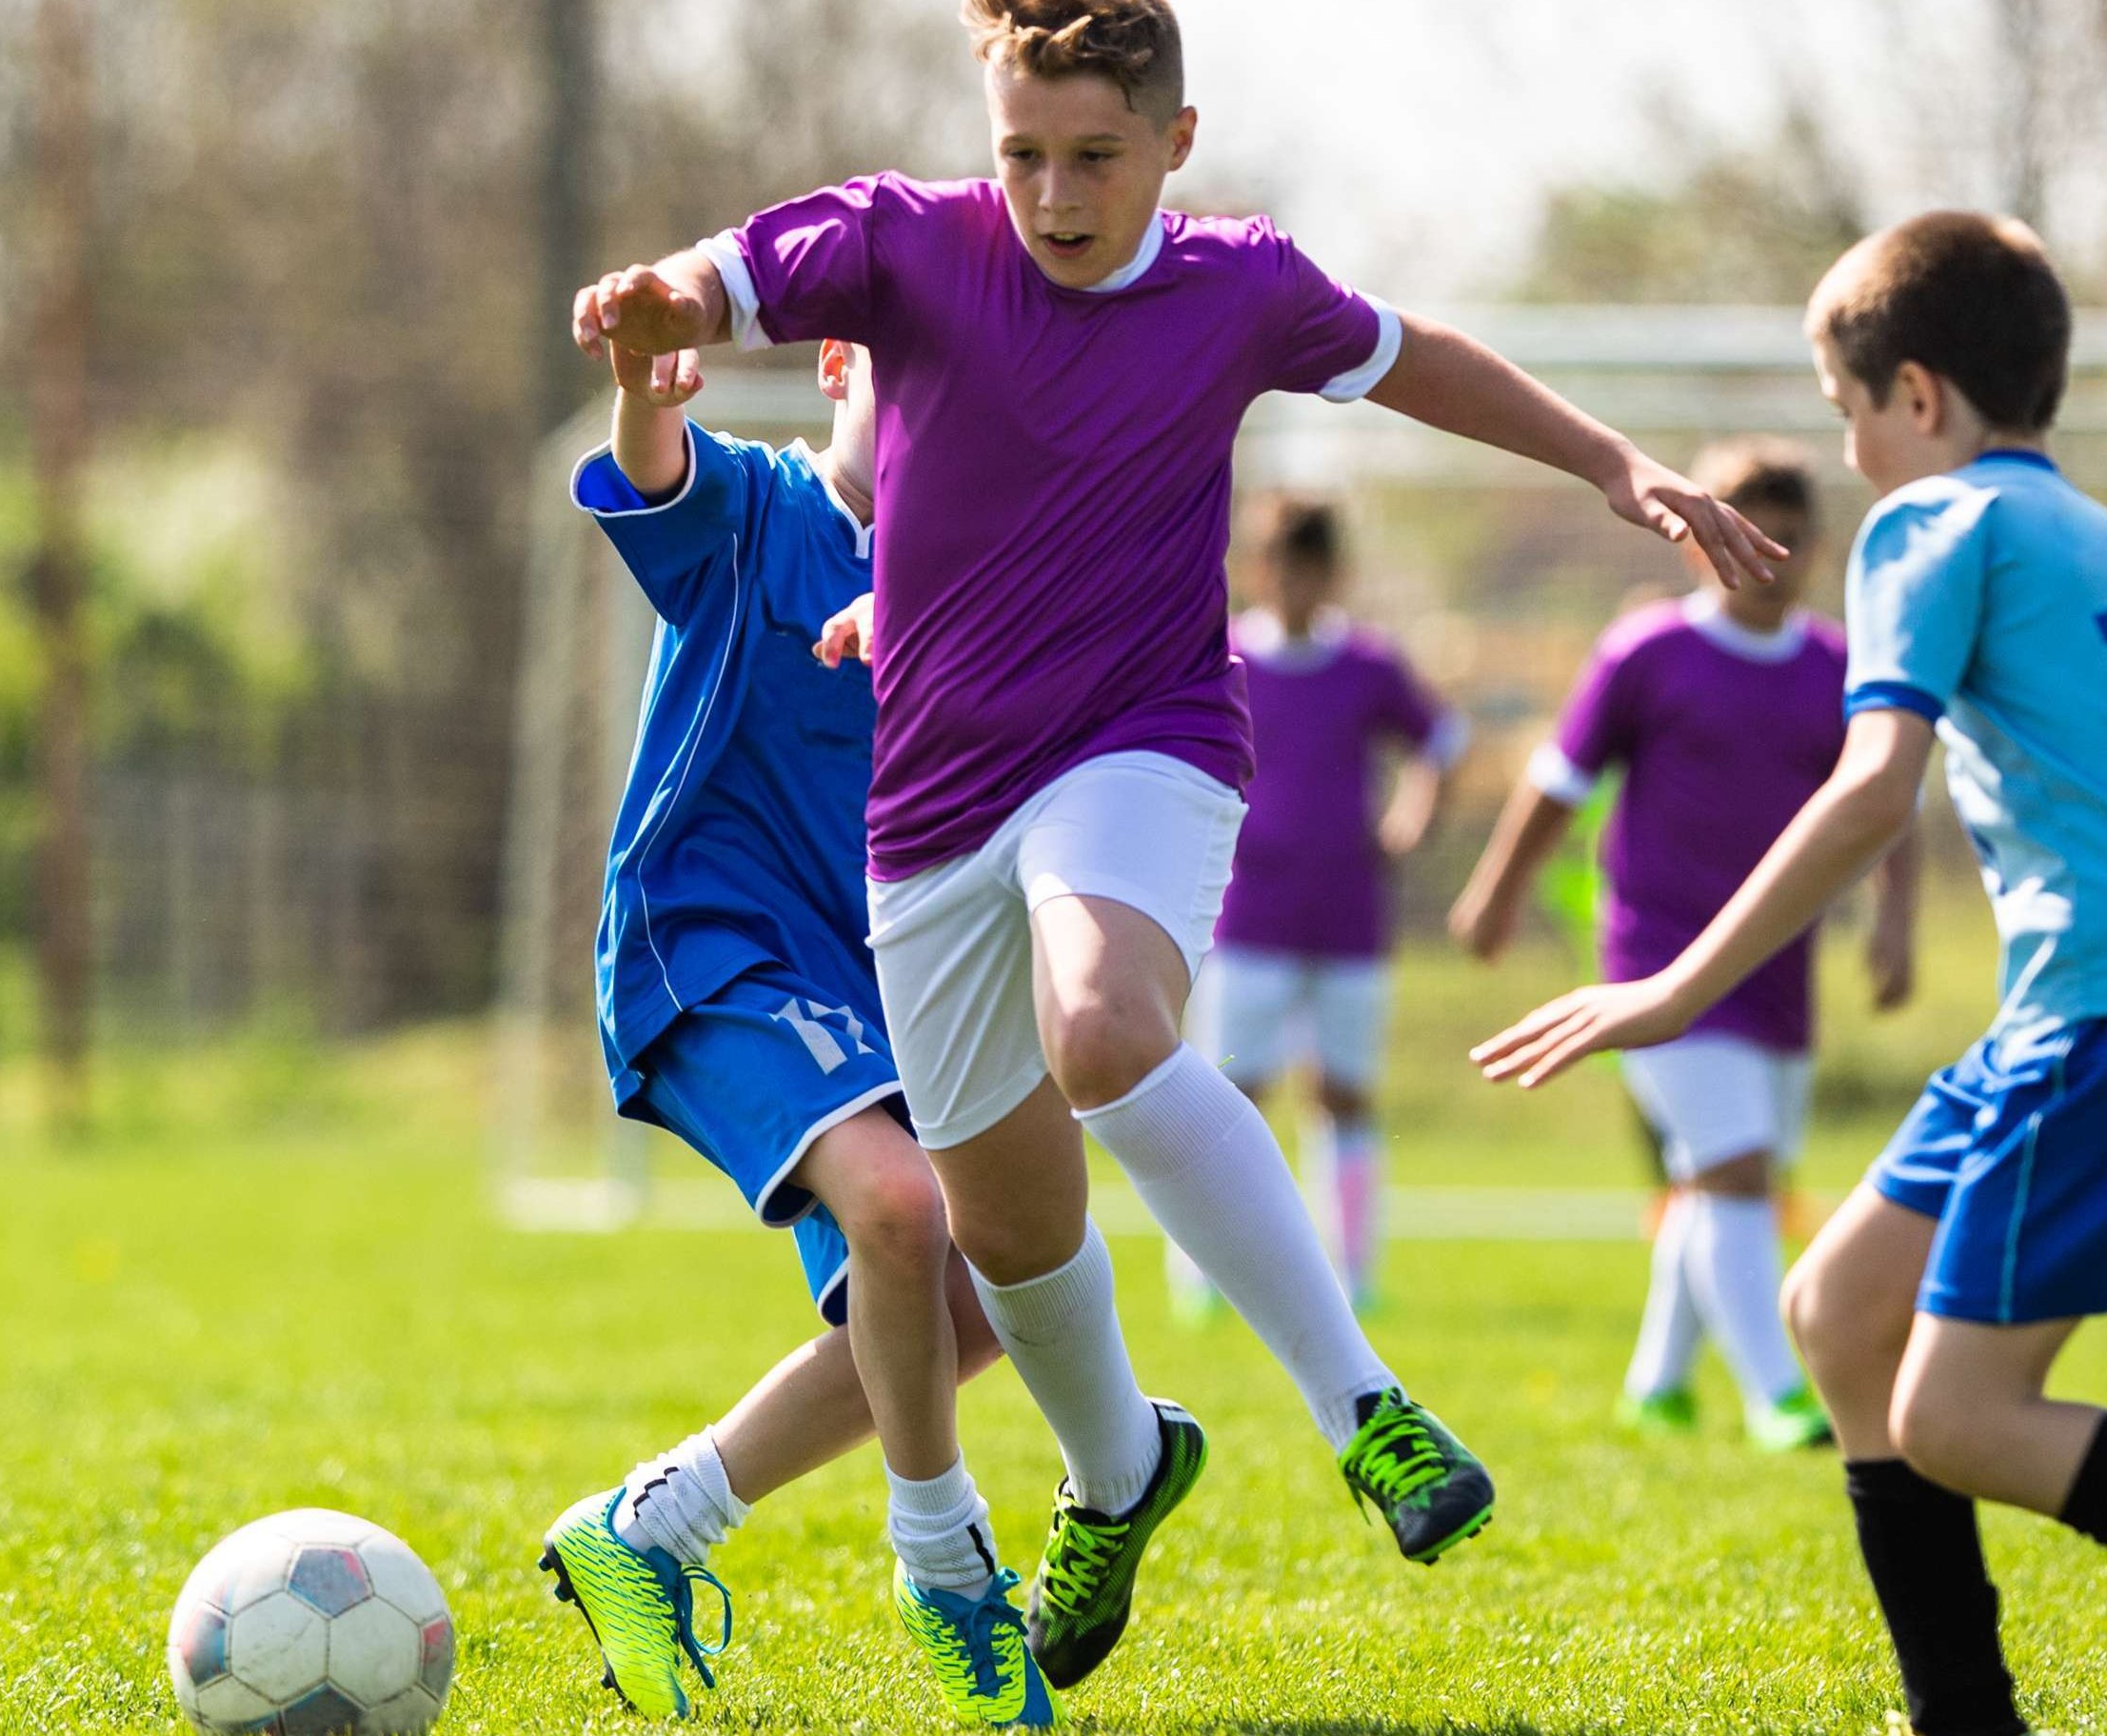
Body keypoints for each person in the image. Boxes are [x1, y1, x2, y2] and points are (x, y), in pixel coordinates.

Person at [567, 0, 1786, 1693]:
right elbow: (712, 278)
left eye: (1094, 156)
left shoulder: (1237, 287)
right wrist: (655, 305)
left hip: (1141, 742)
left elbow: (1411, 352)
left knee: (1104, 1026)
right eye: (1022, 154)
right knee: (1002, 1239)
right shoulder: (903, 248)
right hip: (926, 829)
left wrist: (1611, 464)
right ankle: (1118, 1472)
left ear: (1175, 145)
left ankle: (1364, 1406)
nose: (1053, 193)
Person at [1474, 212, 2107, 1736]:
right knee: (1838, 1314)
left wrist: (1674, 986)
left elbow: (1870, 784)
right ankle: (1961, 1707)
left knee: (1956, 1415)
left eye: (1846, 412)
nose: (1850, 455)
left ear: (1918, 396)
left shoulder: (1930, 526)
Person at [538, 333, 1048, 1726]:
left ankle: (648, 1526)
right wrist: (648, 382)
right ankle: (943, 1562)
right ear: (837, 366)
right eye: (911, 377)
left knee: (984, 1293)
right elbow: (657, 469)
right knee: (898, 1203)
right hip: (707, 948)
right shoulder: (757, 508)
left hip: (878, 990)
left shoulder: (976, 587)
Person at [1449, 438, 1914, 1451]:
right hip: (1651, 965)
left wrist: (1896, 922)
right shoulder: (1647, 655)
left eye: (1789, 540)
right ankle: (1779, 1394)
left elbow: (1885, 803)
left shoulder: (1839, 666)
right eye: (1748, 536)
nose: (1768, 557)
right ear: (1700, 542)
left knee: (1724, 1180)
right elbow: (1557, 783)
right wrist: (1496, 889)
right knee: (1737, 1170)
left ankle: (1657, 1381)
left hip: (1775, 974)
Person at [1173, 494, 1465, 1318]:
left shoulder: (1367, 666)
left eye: (1312, 569)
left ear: (1333, 574)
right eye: (1281, 567)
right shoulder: (1225, 658)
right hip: (1246, 914)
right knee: (1229, 1096)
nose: (1296, 585)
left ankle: (1354, 1273)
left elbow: (1440, 743)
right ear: (1259, 571)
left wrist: (1410, 819)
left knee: (1343, 1095)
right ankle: (1206, 1275)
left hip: (1347, 918)